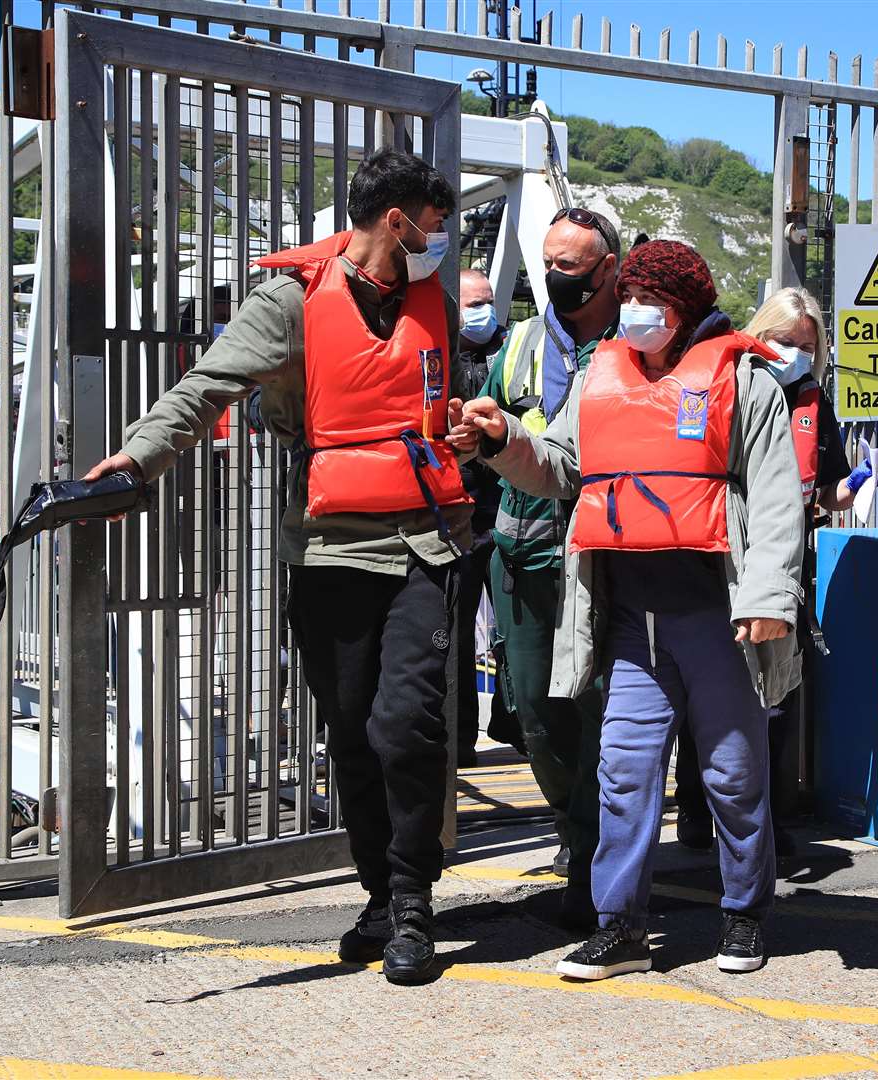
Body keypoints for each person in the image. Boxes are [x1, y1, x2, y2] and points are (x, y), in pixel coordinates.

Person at [84, 149, 467, 985]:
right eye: (435, 227)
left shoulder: (431, 301)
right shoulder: (291, 300)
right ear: (395, 221)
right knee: (354, 732)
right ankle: (378, 892)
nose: (444, 243)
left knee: (409, 727)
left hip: (425, 541)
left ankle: (411, 903)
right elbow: (204, 389)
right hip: (329, 548)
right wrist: (137, 463)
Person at [450, 240, 806, 979]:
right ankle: (619, 925)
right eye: (633, 298)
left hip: (719, 616)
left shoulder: (746, 382)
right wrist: (500, 440)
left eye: (657, 302)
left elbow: (775, 502)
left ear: (689, 310)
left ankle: (743, 912)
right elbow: (556, 465)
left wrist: (770, 599)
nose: (639, 313)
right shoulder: (599, 376)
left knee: (734, 775)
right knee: (622, 772)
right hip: (629, 620)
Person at [673, 287, 873, 856]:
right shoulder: (724, 388)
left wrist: (850, 487)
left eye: (808, 346)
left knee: (777, 693)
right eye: (785, 342)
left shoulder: (814, 402)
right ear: (761, 335)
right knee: (708, 690)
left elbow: (825, 488)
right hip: (726, 560)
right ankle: (695, 809)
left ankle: (768, 815)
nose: (796, 354)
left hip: (788, 562)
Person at [476, 207, 621, 922]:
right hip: (525, 549)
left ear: (607, 269)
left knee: (604, 709)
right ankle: (572, 827)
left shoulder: (636, 346)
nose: (554, 276)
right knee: (535, 708)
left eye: (570, 265)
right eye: (547, 261)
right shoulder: (521, 344)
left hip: (606, 550)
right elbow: (492, 432)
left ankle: (596, 860)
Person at [453, 269, 506, 768]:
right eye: (473, 303)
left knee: (512, 624)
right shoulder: (440, 353)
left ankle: (514, 723)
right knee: (458, 624)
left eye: (487, 301)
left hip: (510, 509)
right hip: (462, 512)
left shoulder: (511, 352)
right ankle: (462, 737)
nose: (482, 311)